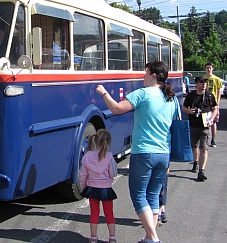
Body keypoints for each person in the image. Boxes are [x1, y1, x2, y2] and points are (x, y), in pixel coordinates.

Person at [96, 60, 176, 243]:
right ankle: (149, 238)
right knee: (154, 195)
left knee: (139, 195)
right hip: (164, 153)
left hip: (144, 153)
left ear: (153, 75)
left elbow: (116, 108)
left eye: (146, 72)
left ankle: (154, 239)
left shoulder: (143, 94)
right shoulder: (169, 97)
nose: (143, 76)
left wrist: (104, 93)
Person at [79, 129, 118, 243]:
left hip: (92, 188)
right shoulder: (109, 157)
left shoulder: (87, 157)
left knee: (94, 213)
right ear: (108, 143)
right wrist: (109, 179)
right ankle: (112, 237)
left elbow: (82, 176)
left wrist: (83, 187)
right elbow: (113, 173)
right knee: (109, 213)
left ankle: (93, 237)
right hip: (106, 188)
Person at [182, 75, 217, 181]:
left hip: (205, 126)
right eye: (202, 82)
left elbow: (214, 109)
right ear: (196, 84)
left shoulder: (209, 95)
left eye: (205, 82)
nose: (204, 84)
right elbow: (184, 107)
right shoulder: (191, 95)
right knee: (195, 146)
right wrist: (189, 111)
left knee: (204, 148)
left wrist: (211, 119)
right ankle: (196, 162)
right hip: (193, 124)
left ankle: (201, 171)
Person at [203, 62, 222, 147]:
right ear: (205, 69)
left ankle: (213, 139)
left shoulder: (217, 79)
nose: (209, 69)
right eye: (207, 67)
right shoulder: (203, 78)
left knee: (213, 121)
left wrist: (217, 103)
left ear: (212, 68)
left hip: (213, 102)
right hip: (204, 101)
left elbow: (218, 92)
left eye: (210, 67)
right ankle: (205, 138)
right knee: (204, 120)